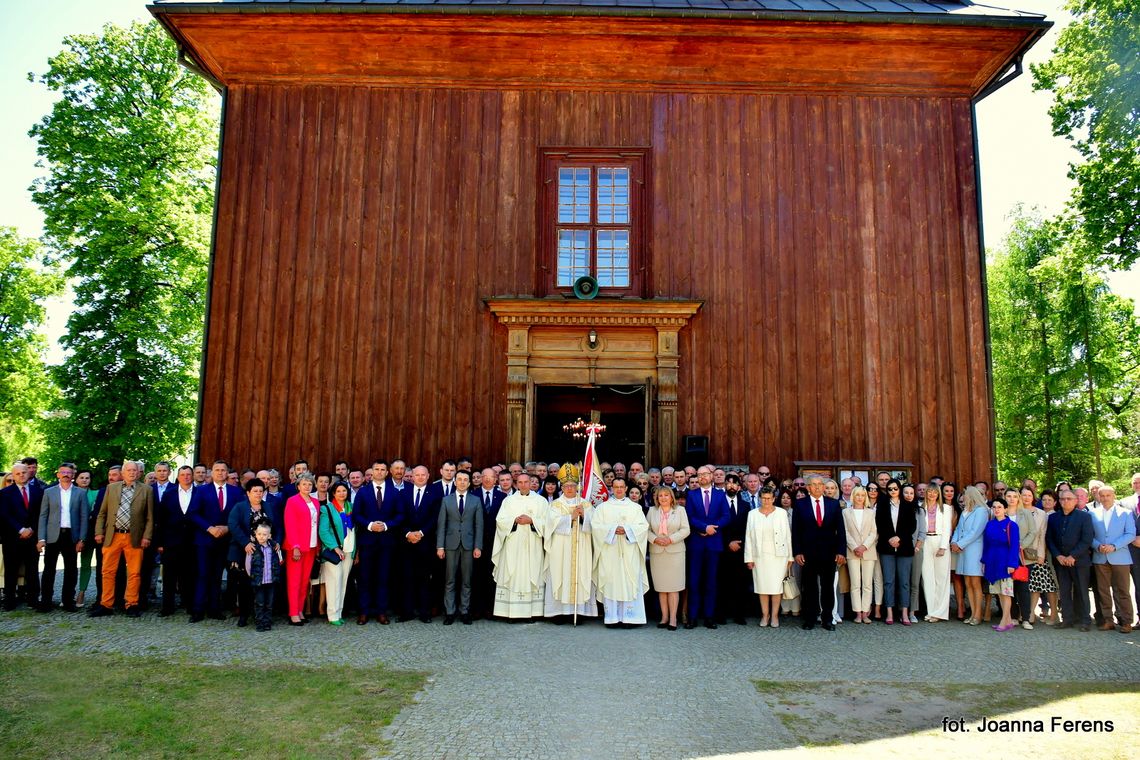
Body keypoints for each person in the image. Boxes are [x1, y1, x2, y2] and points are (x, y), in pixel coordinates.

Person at [90, 461, 155, 618]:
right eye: (129, 470)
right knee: (108, 571)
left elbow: (150, 517)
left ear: (139, 473)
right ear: (123, 473)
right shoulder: (111, 488)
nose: (132, 473)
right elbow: (102, 513)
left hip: (135, 537)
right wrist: (99, 532)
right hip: (113, 536)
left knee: (134, 573)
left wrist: (147, 536)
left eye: (135, 470)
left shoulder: (146, 490)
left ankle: (131, 604)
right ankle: (106, 604)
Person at [188, 460, 242, 622]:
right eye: (217, 470)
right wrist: (209, 528)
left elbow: (238, 515)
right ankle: (198, 610)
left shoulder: (236, 492)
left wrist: (227, 528)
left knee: (217, 575)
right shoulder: (202, 491)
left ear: (227, 473)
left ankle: (214, 609)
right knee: (203, 574)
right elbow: (193, 513)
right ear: (211, 473)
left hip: (225, 540)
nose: (220, 473)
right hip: (205, 539)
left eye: (223, 470)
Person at [592, 478, 649, 628]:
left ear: (626, 488)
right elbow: (596, 527)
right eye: (615, 487)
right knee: (611, 582)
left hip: (629, 552)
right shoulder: (602, 508)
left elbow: (643, 527)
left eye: (621, 487)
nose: (618, 490)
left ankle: (630, 618)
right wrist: (612, 530)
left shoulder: (635, 508)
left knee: (629, 582)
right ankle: (612, 618)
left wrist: (627, 530)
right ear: (611, 488)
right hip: (609, 552)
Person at [792, 475, 846, 631]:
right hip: (807, 553)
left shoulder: (834, 504)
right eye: (813, 485)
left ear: (823, 487)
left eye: (819, 484)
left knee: (828, 587)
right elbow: (796, 531)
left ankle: (827, 619)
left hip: (829, 553)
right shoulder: (800, 504)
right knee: (809, 588)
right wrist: (797, 552)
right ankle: (810, 618)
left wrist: (841, 551)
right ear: (808, 487)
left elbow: (840, 530)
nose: (816, 487)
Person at [353, 459, 403, 625]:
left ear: (387, 472)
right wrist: (369, 525)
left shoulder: (394, 493)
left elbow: (400, 515)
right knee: (365, 578)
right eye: (377, 469)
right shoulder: (363, 492)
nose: (380, 472)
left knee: (383, 577)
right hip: (367, 542)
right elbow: (357, 515)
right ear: (372, 472)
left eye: (383, 469)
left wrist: (386, 526)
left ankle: (382, 612)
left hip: (387, 543)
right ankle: (364, 612)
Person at [492, 473, 546, 619]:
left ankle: (534, 613)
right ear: (516, 484)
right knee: (513, 572)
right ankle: (510, 612)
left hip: (532, 545)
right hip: (513, 546)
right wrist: (514, 520)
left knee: (532, 572)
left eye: (526, 482)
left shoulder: (541, 501)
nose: (523, 485)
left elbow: (548, 522)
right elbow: (500, 521)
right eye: (520, 482)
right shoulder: (509, 501)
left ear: (531, 483)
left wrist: (532, 521)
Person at [542, 477, 595, 621]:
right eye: (566, 486)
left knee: (580, 572)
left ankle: (578, 612)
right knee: (560, 572)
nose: (570, 488)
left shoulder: (585, 504)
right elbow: (550, 524)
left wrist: (584, 515)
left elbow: (595, 524)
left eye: (572, 485)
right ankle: (558, 612)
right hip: (560, 547)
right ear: (562, 488)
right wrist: (570, 517)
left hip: (581, 546)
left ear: (577, 487)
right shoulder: (555, 505)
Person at [36, 462, 87, 612]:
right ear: (58, 474)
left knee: (71, 570)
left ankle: (68, 601)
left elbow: (84, 517)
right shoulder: (49, 492)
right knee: (48, 570)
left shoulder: (80, 493)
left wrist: (82, 539)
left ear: (73, 475)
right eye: (62, 472)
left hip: (71, 536)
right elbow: (43, 516)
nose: (65, 474)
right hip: (53, 535)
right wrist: (41, 538)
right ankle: (46, 601)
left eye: (68, 472)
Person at [228, 478, 279, 627]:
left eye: (260, 491)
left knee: (264, 585)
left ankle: (264, 617)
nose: (258, 494)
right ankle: (244, 615)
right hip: (246, 550)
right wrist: (245, 543)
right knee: (245, 585)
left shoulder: (268, 507)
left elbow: (276, 526)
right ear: (248, 493)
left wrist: (276, 542)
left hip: (266, 552)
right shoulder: (240, 507)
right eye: (255, 491)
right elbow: (233, 525)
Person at [684, 466, 730, 629]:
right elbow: (689, 517)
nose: (703, 477)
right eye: (700, 475)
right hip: (696, 544)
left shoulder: (720, 495)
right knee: (694, 581)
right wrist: (703, 528)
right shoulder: (691, 494)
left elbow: (726, 516)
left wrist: (713, 528)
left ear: (711, 476)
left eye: (705, 474)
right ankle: (693, 617)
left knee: (711, 581)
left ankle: (709, 617)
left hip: (714, 544)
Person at [436, 470, 483, 624]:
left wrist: (478, 546)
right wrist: (440, 546)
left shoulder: (475, 501)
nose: (462, 482)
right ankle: (450, 612)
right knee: (450, 579)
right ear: (455, 482)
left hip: (469, 545)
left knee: (467, 580)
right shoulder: (446, 500)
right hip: (450, 545)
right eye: (459, 479)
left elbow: (479, 525)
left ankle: (464, 611)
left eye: (465, 480)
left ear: (469, 483)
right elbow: (441, 525)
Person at [875, 479, 922, 626]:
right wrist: (890, 537)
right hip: (886, 546)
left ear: (899, 489)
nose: (893, 491)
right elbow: (879, 524)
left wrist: (899, 537)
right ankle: (889, 612)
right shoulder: (882, 505)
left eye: (895, 488)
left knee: (904, 582)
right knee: (889, 581)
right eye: (889, 489)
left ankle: (904, 613)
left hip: (904, 547)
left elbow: (912, 526)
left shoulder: (909, 505)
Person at [1088, 485, 1135, 633]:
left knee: (1123, 591)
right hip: (1100, 557)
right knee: (1103, 591)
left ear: (1114, 496)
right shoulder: (1093, 514)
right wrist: (1097, 546)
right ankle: (1108, 620)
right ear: (1098, 497)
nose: (1105, 498)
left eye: (1108, 495)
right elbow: (1089, 536)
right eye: (1102, 495)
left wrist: (1114, 546)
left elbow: (1130, 534)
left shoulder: (1126, 513)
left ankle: (1127, 621)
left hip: (1120, 556)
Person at [745, 487, 793, 628]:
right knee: (762, 587)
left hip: (778, 555)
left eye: (768, 498)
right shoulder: (752, 514)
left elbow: (787, 536)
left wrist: (790, 556)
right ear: (760, 499)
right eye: (763, 498)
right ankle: (765, 615)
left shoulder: (781, 513)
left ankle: (775, 616)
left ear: (773, 499)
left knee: (776, 587)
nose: (766, 501)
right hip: (759, 556)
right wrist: (749, 557)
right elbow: (748, 537)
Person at [1047, 489, 1094, 630]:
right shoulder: (1053, 517)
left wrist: (1073, 556)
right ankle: (1067, 619)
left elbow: (1087, 540)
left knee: (1081, 591)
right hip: (1061, 561)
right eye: (1062, 499)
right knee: (1064, 591)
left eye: (1068, 499)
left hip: (1079, 561)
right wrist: (1058, 555)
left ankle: (1085, 620)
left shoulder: (1084, 517)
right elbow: (1049, 539)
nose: (1065, 501)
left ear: (1075, 501)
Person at [398, 465, 439, 623]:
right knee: (406, 577)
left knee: (424, 579)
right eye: (417, 475)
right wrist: (408, 533)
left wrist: (421, 533)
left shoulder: (435, 494)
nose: (420, 477)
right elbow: (400, 516)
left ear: (428, 476)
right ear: (412, 476)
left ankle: (424, 612)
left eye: (423, 475)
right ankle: (407, 612)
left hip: (425, 542)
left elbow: (435, 518)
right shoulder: (403, 493)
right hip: (406, 542)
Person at [0, 461, 43, 610]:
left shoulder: (38, 491)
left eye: (24, 472)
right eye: (18, 473)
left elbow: (40, 514)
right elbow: (5, 515)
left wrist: (31, 529)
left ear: (28, 472)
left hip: (32, 537)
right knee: (11, 570)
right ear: (13, 475)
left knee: (32, 570)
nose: (21, 475)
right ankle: (10, 600)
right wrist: (20, 529)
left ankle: (33, 599)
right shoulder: (5, 493)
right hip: (12, 538)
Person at [157, 465, 198, 616]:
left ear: (192, 476)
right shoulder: (169, 494)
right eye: (183, 474)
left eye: (188, 474)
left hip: (192, 541)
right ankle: (167, 607)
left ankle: (188, 604)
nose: (186, 477)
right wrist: (160, 542)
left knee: (189, 575)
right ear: (178, 476)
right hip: (171, 541)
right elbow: (161, 519)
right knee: (169, 576)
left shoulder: (199, 493)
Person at [647, 485, 688, 630]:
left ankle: (673, 619)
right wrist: (655, 539)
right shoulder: (652, 511)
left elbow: (685, 529)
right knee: (662, 588)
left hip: (675, 553)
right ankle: (664, 617)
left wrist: (671, 539)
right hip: (658, 552)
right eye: (660, 496)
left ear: (671, 497)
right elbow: (646, 530)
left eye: (666, 495)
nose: (663, 498)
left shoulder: (680, 510)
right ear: (657, 498)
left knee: (674, 587)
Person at [283, 473, 320, 625]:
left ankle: (300, 609)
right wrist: (295, 546)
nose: (307, 486)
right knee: (294, 581)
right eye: (304, 484)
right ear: (298, 486)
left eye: (310, 484)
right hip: (296, 547)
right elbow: (290, 525)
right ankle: (293, 613)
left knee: (305, 581)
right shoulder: (292, 501)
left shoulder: (316, 502)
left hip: (311, 546)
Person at [319, 482, 356, 625]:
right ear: (333, 493)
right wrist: (335, 547)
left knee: (343, 582)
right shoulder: (327, 509)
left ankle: (339, 612)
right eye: (338, 491)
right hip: (335, 551)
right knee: (334, 582)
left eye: (344, 490)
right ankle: (332, 614)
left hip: (349, 549)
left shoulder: (351, 508)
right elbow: (323, 531)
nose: (342, 493)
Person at [950, 486, 988, 625]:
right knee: (967, 582)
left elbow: (975, 531)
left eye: (965, 495)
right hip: (962, 551)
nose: (963, 498)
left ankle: (978, 614)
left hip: (974, 550)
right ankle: (972, 613)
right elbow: (958, 529)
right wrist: (954, 542)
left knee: (975, 582)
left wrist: (960, 544)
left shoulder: (981, 511)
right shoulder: (965, 511)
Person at [982, 498, 1021, 632]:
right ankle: (1008, 619)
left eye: (999, 507)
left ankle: (1004, 621)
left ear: (1005, 509)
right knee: (999, 593)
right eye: (994, 507)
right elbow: (986, 545)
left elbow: (1015, 546)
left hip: (1005, 562)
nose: (996, 509)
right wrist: (984, 561)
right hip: (992, 561)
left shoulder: (1011, 525)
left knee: (1006, 593)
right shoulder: (990, 525)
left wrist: (1012, 563)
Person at [718, 473, 751, 625]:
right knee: (723, 582)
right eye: (728, 483)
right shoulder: (718, 502)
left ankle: (740, 614)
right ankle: (721, 614)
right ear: (725, 485)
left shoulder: (745, 505)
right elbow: (718, 526)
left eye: (734, 483)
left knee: (740, 583)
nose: (731, 485)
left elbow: (748, 528)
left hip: (740, 549)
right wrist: (728, 542)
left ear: (739, 487)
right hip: (723, 549)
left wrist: (740, 543)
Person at [842, 486, 877, 624]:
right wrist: (855, 547)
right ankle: (857, 612)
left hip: (868, 551)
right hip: (852, 551)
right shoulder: (846, 512)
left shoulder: (871, 512)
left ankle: (865, 612)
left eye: (862, 495)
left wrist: (864, 546)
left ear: (865, 497)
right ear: (853, 496)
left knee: (867, 583)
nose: (860, 498)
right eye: (857, 495)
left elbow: (874, 532)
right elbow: (845, 531)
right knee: (855, 583)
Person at [920, 480, 953, 622]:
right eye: (929, 491)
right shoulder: (921, 508)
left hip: (940, 541)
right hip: (925, 541)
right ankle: (931, 611)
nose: (932, 494)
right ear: (926, 493)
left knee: (942, 578)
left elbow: (947, 529)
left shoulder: (946, 508)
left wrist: (943, 547)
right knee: (927, 578)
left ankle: (940, 612)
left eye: (934, 492)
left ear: (938, 493)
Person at [1028, 489, 1060, 626]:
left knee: (1051, 585)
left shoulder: (1056, 516)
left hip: (1050, 555)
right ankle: (1030, 613)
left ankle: (1054, 614)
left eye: (1050, 500)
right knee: (1035, 584)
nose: (1047, 502)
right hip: (1036, 553)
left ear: (1055, 502)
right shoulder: (1037, 513)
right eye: (1044, 499)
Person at [245, 522, 282, 632]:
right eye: (259, 534)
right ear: (255, 534)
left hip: (270, 580)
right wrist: (251, 575)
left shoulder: (273, 548)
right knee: (259, 603)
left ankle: (267, 622)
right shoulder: (253, 548)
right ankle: (260, 622)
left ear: (269, 536)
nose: (261, 536)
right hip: (258, 581)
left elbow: (279, 560)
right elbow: (248, 564)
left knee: (269, 603)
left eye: (264, 534)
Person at [74, 469, 98, 607]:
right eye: (81, 477)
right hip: (74, 534)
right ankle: (69, 593)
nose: (84, 480)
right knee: (70, 565)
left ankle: (81, 592)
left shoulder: (96, 494)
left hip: (91, 534)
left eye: (87, 478)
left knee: (86, 564)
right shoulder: (70, 493)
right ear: (76, 479)